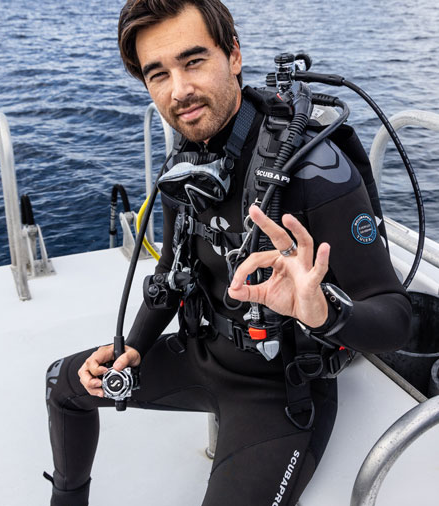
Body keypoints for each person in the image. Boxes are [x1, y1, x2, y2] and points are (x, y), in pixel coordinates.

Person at [44, 1, 412, 505]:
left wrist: (322, 310)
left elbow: (396, 317)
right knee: (63, 385)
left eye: (193, 61)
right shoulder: (189, 156)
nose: (179, 91)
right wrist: (132, 348)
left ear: (233, 55)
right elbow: (169, 277)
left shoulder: (314, 169)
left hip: (279, 392)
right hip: (202, 355)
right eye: (158, 74)